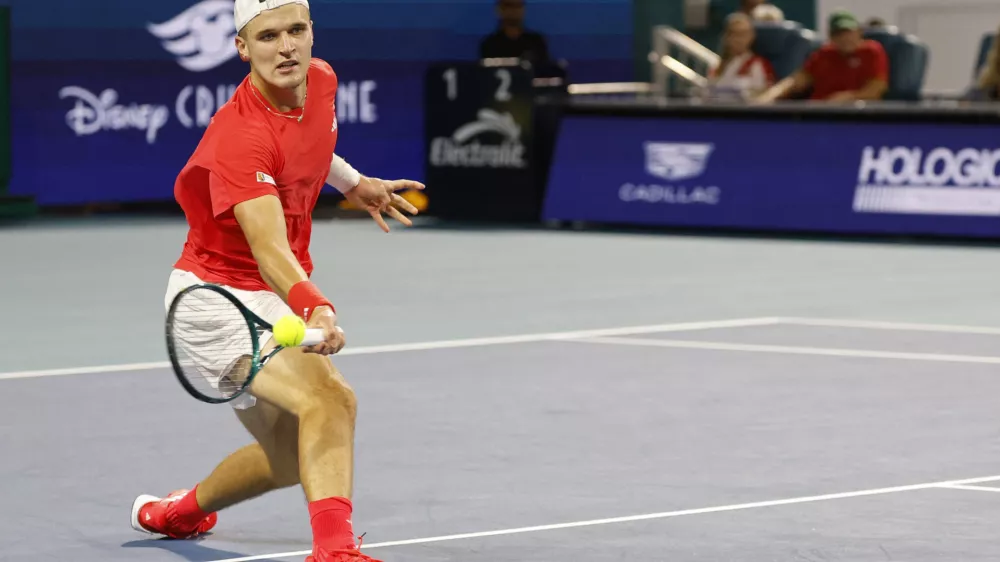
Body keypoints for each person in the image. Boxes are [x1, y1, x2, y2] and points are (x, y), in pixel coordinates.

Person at [128, 1, 422, 561]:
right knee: (330, 400)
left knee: (289, 459)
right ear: (242, 47)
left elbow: (310, 143)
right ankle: (334, 553)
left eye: (296, 31)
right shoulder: (239, 136)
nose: (285, 47)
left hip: (272, 295)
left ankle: (176, 514)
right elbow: (269, 251)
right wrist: (316, 305)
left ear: (312, 32)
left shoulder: (321, 79)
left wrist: (353, 183)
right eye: (267, 37)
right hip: (216, 301)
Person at [756, 10, 889, 104]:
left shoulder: (872, 51)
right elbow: (795, 81)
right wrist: (768, 97)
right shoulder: (823, 54)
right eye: (839, 34)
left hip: (855, 114)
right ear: (831, 37)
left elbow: (876, 89)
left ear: (859, 32)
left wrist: (847, 97)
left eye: (849, 32)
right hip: (818, 114)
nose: (845, 38)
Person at [702, 12, 775, 101]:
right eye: (734, 34)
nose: (738, 39)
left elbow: (763, 97)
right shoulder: (717, 67)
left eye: (743, 34)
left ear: (752, 36)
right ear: (726, 37)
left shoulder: (757, 64)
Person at [479, 0, 550, 65]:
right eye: (509, 6)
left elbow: (545, 72)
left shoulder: (536, 42)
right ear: (499, 9)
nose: (514, 10)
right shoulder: (489, 45)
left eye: (518, 6)